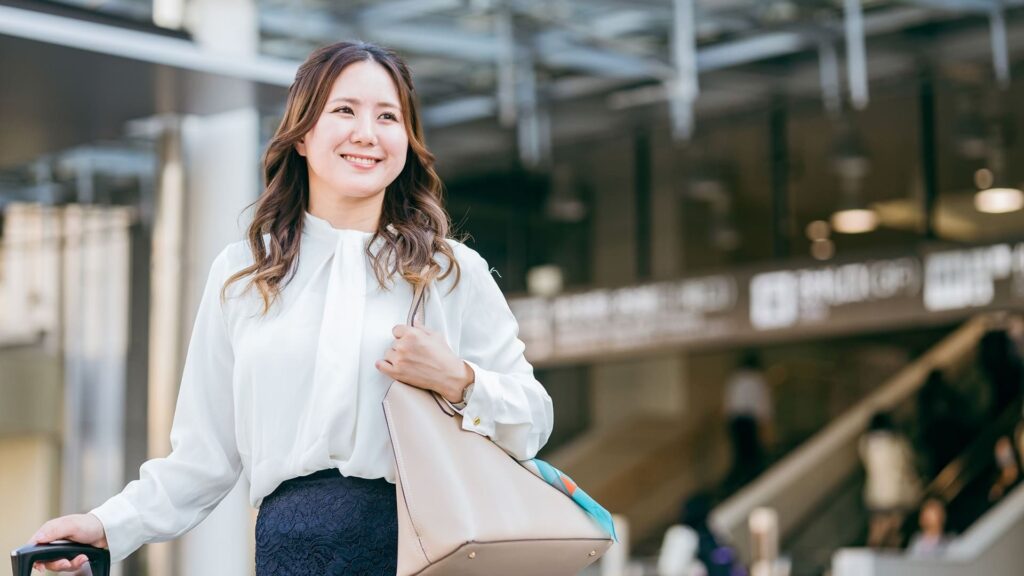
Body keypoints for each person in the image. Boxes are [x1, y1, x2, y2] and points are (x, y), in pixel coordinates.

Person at [27, 41, 554, 575]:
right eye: (344, 110)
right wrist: (107, 527)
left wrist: (459, 379)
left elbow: (533, 420)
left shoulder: (448, 270)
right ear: (302, 134)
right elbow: (202, 459)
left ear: (407, 140)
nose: (367, 133)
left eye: (388, 116)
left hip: (424, 549)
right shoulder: (243, 273)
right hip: (291, 554)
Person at [860, 411, 922, 549]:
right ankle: (891, 558)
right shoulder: (897, 442)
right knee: (895, 529)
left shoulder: (866, 443)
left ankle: (871, 558)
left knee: (877, 529)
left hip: (875, 494)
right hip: (897, 494)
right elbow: (908, 462)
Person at [724, 351, 773, 489]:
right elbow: (762, 405)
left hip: (735, 421)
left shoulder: (735, 378)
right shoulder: (758, 379)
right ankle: (748, 483)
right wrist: (765, 425)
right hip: (749, 420)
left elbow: (728, 403)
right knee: (751, 456)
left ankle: (740, 483)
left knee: (741, 454)